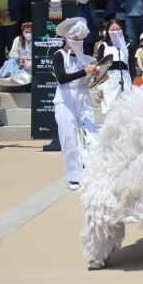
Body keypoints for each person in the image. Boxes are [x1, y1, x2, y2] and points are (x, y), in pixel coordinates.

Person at [52, 17, 99, 190]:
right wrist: (84, 71)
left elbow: (94, 79)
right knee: (69, 137)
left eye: (81, 39)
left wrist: (97, 74)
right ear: (67, 39)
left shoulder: (86, 58)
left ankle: (93, 172)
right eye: (75, 39)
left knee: (93, 135)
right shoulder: (59, 55)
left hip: (83, 98)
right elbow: (62, 78)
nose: (78, 42)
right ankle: (74, 177)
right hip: (65, 100)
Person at [96, 20, 133, 115]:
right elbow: (99, 69)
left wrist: (134, 84)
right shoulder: (103, 46)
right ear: (108, 31)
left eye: (118, 30)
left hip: (125, 79)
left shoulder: (128, 45)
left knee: (126, 111)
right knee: (109, 111)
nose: (115, 32)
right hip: (109, 80)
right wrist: (99, 88)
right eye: (112, 30)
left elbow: (132, 67)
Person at [0, 21, 32, 86]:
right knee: (11, 60)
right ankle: (9, 75)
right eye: (26, 32)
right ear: (22, 32)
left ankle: (11, 75)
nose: (28, 34)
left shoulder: (37, 40)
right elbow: (12, 53)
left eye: (30, 32)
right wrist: (19, 58)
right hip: (18, 63)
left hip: (30, 64)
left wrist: (26, 60)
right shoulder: (18, 39)